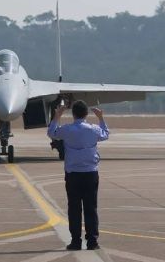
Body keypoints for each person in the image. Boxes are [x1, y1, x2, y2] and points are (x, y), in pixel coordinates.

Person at [47, 100, 109, 250]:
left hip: (73, 175)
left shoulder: (67, 130)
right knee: (91, 208)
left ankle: (76, 241)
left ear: (73, 114)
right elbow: (105, 134)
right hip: (90, 174)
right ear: (86, 114)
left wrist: (57, 116)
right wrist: (101, 118)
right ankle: (92, 241)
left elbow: (51, 133)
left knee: (74, 208)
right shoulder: (93, 129)